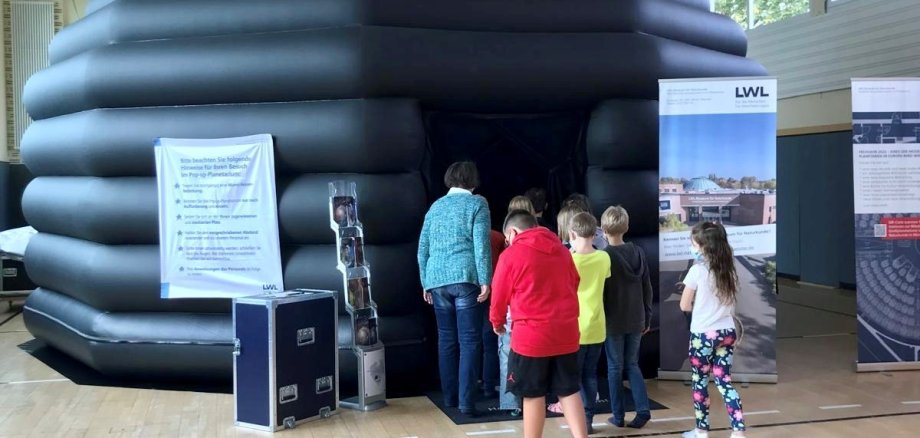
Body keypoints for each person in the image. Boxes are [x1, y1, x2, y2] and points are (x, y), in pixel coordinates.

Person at [490, 211, 587, 438]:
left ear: (512, 232)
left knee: (533, 395)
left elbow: (498, 296)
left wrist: (497, 323)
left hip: (531, 339)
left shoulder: (511, 255)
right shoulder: (563, 251)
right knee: (569, 391)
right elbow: (575, 283)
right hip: (566, 333)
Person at [418, 161, 493, 417]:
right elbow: (481, 246)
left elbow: (422, 249)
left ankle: (449, 398)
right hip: (465, 278)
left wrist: (425, 281)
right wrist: (486, 279)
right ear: (473, 180)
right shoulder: (477, 204)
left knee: (447, 340)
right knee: (470, 341)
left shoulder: (435, 206)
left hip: (437, 280)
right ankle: (467, 404)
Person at [679, 222, 746, 438]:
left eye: (693, 243)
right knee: (724, 381)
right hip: (727, 332)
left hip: (703, 336)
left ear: (702, 246)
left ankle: (701, 430)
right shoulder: (729, 270)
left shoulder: (696, 271)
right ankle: (738, 431)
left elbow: (684, 305)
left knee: (700, 381)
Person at [601, 206, 653, 429]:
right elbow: (647, 287)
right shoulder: (639, 252)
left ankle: (618, 415)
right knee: (632, 364)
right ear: (627, 227)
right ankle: (643, 410)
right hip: (637, 318)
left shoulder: (603, 256)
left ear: (603, 230)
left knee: (614, 367)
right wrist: (648, 316)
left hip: (613, 320)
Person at [568, 212, 611, 435]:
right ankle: (588, 420)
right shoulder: (604, 258)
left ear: (571, 234)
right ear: (595, 233)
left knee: (572, 379)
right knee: (590, 375)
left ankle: (577, 422)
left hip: (573, 328)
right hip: (597, 326)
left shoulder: (569, 259)